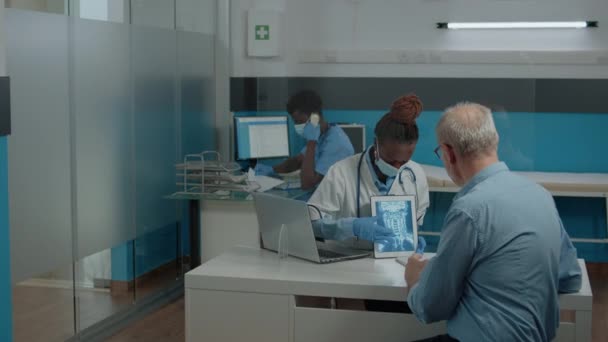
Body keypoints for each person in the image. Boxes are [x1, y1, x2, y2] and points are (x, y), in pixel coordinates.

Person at [405, 102, 582, 342]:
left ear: (448, 154)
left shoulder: (468, 210)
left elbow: (430, 307)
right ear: (494, 141)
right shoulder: (540, 196)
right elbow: (570, 277)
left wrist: (414, 280)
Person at [307, 93, 430, 249]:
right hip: (347, 261)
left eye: (404, 161)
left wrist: (413, 238)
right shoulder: (341, 172)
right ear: (376, 144)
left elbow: (416, 223)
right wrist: (350, 227)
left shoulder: (416, 174)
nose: (397, 167)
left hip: (395, 264)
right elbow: (310, 223)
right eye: (391, 160)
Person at [255, 90, 354, 190]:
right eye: (295, 122)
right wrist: (271, 170)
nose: (298, 126)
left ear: (315, 117)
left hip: (333, 203)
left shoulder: (337, 144)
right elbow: (298, 161)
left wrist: (311, 142)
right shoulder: (322, 135)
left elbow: (307, 184)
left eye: (300, 121)